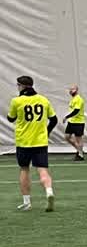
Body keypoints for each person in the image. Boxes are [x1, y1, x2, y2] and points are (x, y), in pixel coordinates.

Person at [8, 75, 57, 212]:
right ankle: (49, 191)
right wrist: (46, 132)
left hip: (23, 142)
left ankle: (27, 202)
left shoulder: (16, 101)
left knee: (24, 169)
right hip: (40, 142)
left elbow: (11, 118)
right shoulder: (43, 100)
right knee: (43, 170)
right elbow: (54, 120)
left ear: (21, 86)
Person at [63, 85, 87, 161]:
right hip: (71, 122)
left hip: (78, 122)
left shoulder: (78, 99)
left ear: (76, 90)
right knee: (67, 137)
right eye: (70, 89)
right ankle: (79, 150)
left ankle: (80, 155)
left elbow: (76, 111)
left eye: (72, 89)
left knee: (78, 139)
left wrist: (66, 117)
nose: (71, 91)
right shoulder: (73, 99)